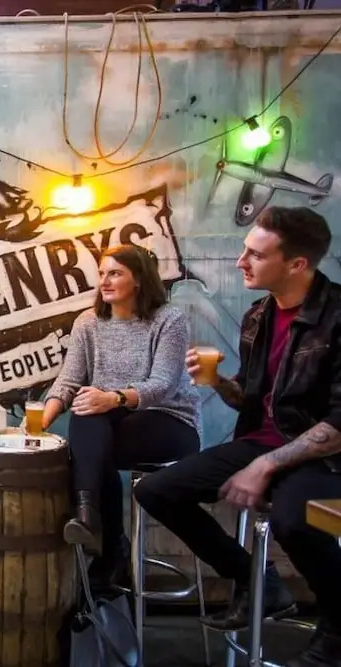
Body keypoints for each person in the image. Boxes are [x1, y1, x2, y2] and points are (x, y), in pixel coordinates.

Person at [134, 206, 341, 667]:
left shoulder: (337, 317)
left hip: (323, 458)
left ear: (297, 264)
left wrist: (265, 466)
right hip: (261, 442)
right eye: (245, 250)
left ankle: (336, 627)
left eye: (256, 255)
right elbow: (250, 399)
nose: (240, 262)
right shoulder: (258, 316)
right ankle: (258, 581)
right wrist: (217, 383)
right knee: (156, 490)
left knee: (294, 520)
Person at [43, 244, 201, 589]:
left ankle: (105, 539)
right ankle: (91, 518)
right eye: (102, 273)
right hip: (107, 422)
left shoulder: (169, 319)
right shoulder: (88, 322)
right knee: (87, 414)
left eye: (115, 273)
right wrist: (39, 425)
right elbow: (67, 383)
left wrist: (112, 398)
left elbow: (162, 385)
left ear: (139, 279)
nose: (104, 281)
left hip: (169, 420)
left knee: (90, 444)